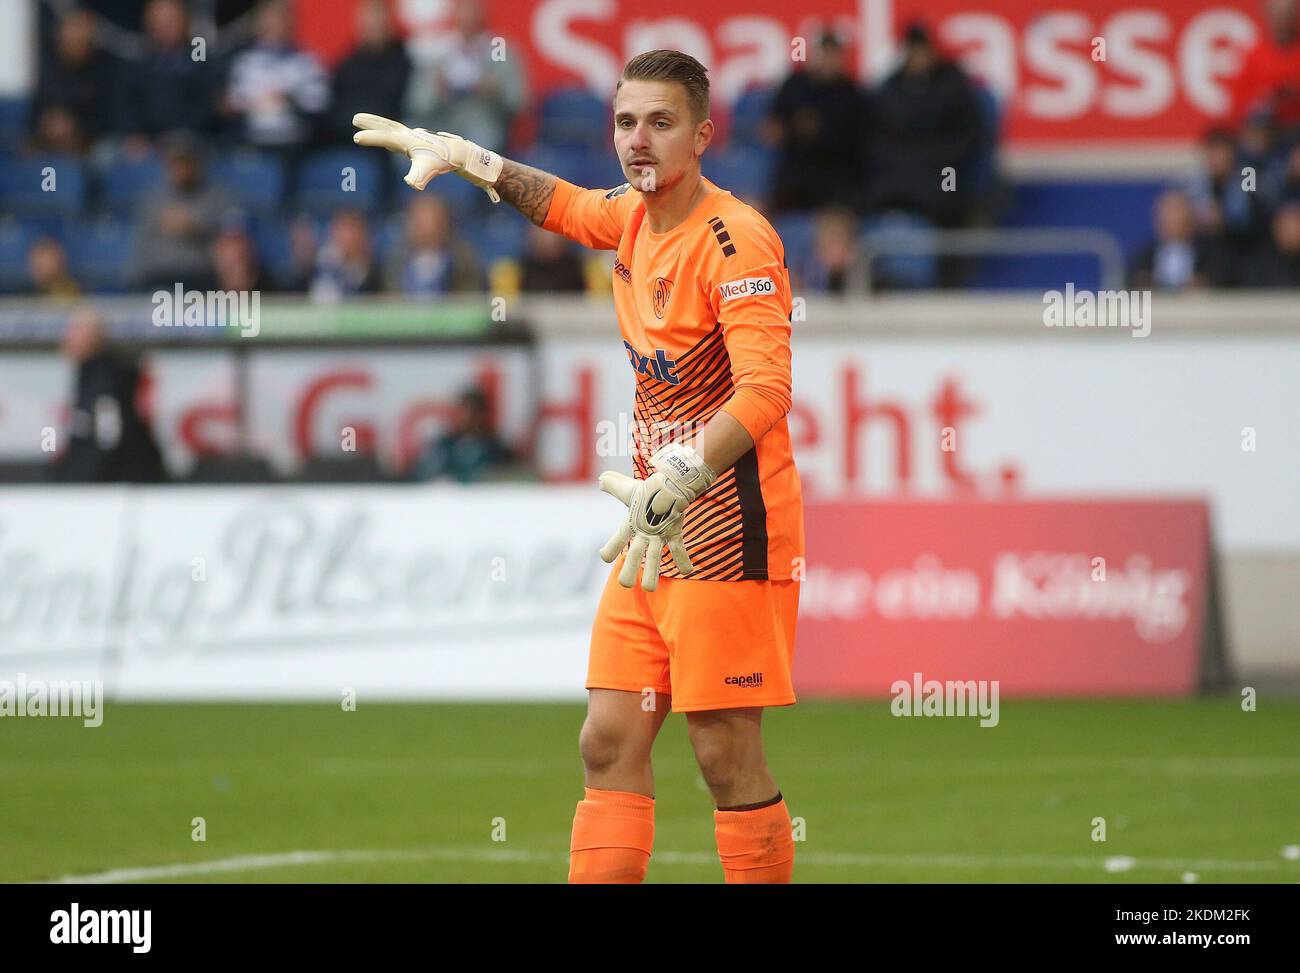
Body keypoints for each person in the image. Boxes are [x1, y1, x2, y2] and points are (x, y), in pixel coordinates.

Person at [356, 48, 804, 885]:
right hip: (651, 524)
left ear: (702, 135)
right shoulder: (633, 217)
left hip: (724, 528)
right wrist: (471, 159)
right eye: (626, 122)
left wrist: (683, 470)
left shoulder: (734, 238)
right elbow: (560, 203)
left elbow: (768, 391)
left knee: (723, 749)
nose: (639, 140)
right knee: (607, 738)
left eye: (661, 123)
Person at [866, 21, 984, 229]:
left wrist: (939, 155)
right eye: (914, 51)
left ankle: (949, 257)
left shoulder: (952, 85)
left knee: (949, 191)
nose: (919, 57)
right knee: (882, 193)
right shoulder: (891, 88)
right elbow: (875, 137)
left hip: (944, 166)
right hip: (901, 168)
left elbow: (969, 133)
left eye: (923, 50)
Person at [49, 309, 168, 483]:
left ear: (94, 339)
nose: (66, 339)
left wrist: (78, 482)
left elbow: (108, 441)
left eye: (74, 332)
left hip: (119, 488)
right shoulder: (86, 376)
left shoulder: (107, 382)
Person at [766, 32, 871, 213]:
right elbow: (773, 129)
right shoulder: (795, 85)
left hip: (836, 176)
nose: (830, 61)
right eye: (825, 54)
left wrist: (823, 130)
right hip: (796, 173)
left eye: (834, 55)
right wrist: (795, 128)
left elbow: (858, 142)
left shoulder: (851, 93)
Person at [403, 0, 525, 151]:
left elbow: (518, 102)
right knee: (408, 139)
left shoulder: (497, 48)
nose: (468, 19)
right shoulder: (441, 49)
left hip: (482, 122)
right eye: (464, 12)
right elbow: (417, 104)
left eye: (473, 13)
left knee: (480, 145)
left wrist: (495, 91)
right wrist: (437, 88)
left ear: (483, 17)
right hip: (442, 123)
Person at [131, 132, 238, 291]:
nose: (182, 169)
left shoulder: (220, 198)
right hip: (159, 278)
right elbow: (140, 245)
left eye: (187, 162)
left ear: (197, 163)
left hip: (203, 277)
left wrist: (198, 226)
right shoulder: (153, 200)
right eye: (176, 163)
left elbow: (233, 242)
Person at [327, 0, 412, 145]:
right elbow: (334, 109)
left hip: (392, 139)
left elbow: (402, 105)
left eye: (377, 24)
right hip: (347, 138)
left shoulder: (404, 62)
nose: (373, 28)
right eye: (369, 25)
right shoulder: (347, 65)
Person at [385, 194, 484, 296]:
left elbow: (470, 299)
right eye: (418, 223)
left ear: (445, 224)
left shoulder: (463, 260)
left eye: (431, 221)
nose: (424, 231)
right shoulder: (396, 261)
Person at [409, 388, 515, 482]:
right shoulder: (444, 444)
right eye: (460, 411)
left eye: (469, 412)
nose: (463, 417)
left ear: (481, 415)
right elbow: (423, 472)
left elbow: (505, 477)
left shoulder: (495, 449)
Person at [1228, 0, 1300, 132]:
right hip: (1266, 131)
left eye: (1288, 13)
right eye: (1278, 13)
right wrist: (1266, 99)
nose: (1283, 18)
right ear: (1267, 15)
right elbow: (1239, 104)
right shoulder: (1255, 56)